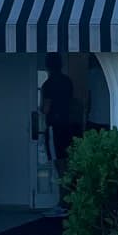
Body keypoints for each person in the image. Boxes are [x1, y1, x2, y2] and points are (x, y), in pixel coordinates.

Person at [40, 53, 79, 214]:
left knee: (59, 165)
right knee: (68, 164)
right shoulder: (67, 82)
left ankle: (64, 203)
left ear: (48, 66)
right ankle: (70, 201)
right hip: (69, 126)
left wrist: (41, 109)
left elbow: (46, 108)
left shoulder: (48, 84)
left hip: (55, 127)